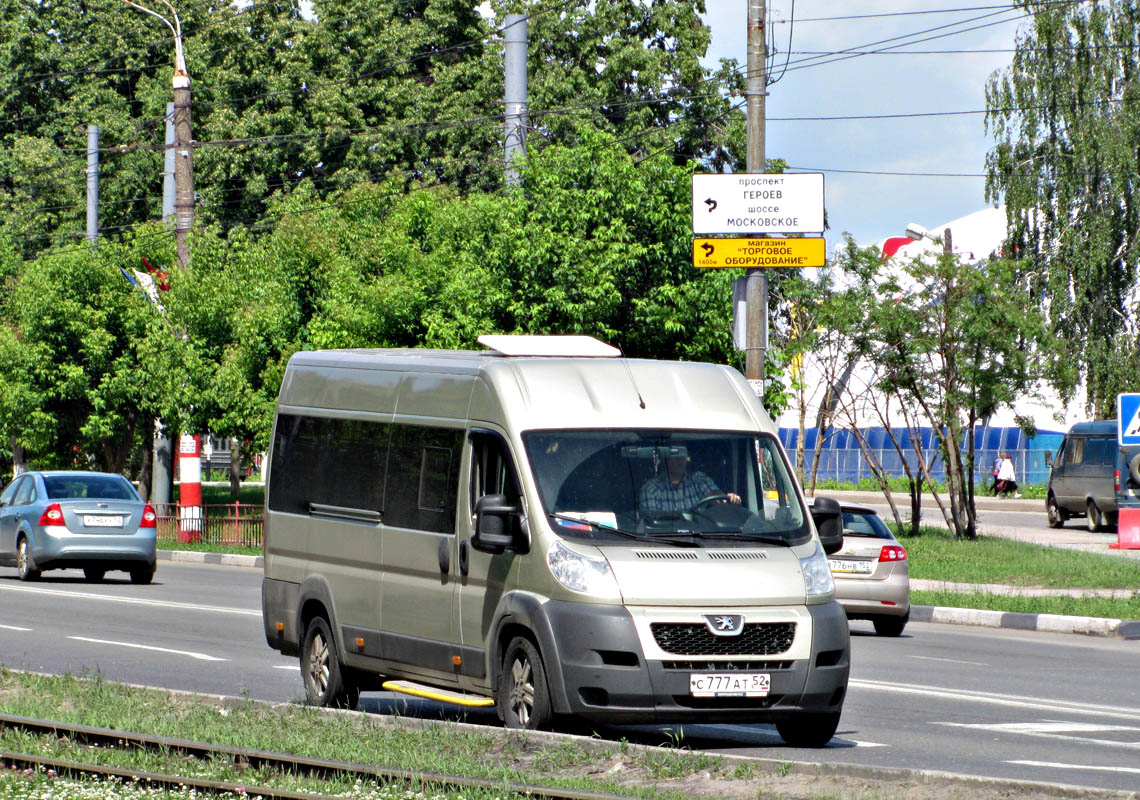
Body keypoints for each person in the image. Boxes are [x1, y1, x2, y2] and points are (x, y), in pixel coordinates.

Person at [638, 446, 741, 512]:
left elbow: (716, 497)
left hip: (701, 539)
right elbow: (652, 526)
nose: (680, 460)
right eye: (676, 456)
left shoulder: (698, 480)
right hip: (666, 543)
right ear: (666, 459)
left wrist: (728, 499)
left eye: (683, 456)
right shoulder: (651, 489)